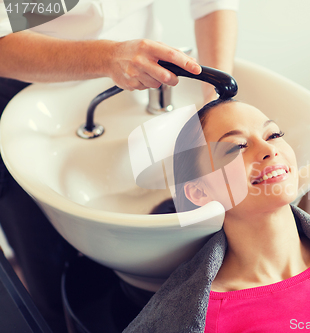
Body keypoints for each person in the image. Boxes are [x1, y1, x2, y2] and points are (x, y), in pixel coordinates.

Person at [0, 1, 238, 332]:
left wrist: (214, 103)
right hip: (30, 98)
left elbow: (213, 5)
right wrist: (106, 58)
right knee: (46, 270)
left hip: (140, 80)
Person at [124, 99, 310, 332]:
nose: (267, 149)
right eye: (235, 148)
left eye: (273, 134)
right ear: (200, 192)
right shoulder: (200, 318)